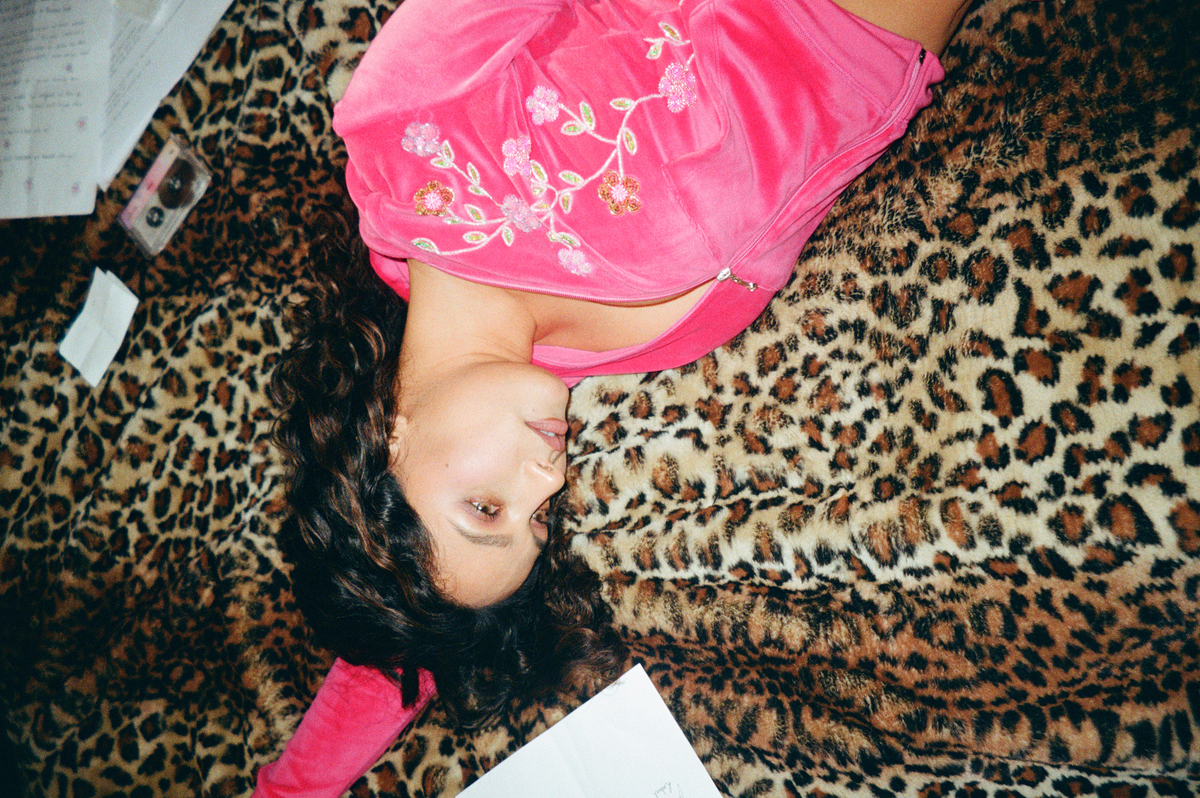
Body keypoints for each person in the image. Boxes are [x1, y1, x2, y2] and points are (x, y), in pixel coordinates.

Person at [257, 0, 978, 792]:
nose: (548, 480)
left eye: (487, 509)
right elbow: (411, 633)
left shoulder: (403, 143)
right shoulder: (538, 369)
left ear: (386, 444)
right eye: (535, 521)